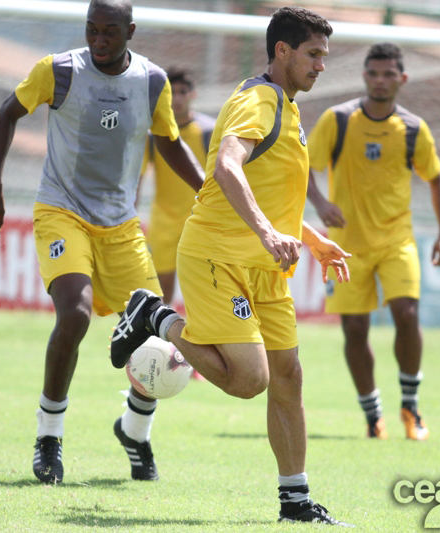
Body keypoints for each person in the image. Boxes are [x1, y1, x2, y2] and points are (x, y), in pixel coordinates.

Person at [111, 7, 352, 525]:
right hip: (218, 256)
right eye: (313, 55)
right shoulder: (258, 100)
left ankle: (295, 499)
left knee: (289, 374)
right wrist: (266, 233)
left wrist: (308, 238)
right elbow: (225, 165)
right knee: (250, 381)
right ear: (282, 51)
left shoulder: (286, 106)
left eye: (324, 57)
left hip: (264, 266)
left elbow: (273, 190)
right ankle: (156, 319)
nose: (321, 67)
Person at [0, 0, 204, 485]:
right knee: (74, 314)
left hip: (121, 224)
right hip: (62, 211)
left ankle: (135, 432)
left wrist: (207, 188)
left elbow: (168, 141)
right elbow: (7, 114)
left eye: (110, 33)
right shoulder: (58, 70)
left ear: (131, 32)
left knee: (155, 333)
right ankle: (49, 436)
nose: (99, 41)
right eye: (92, 30)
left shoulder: (152, 82)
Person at [306, 42, 440, 441]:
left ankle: (410, 407)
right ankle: (373, 415)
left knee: (406, 313)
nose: (381, 80)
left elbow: (437, 178)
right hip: (345, 244)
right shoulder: (337, 120)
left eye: (389, 74)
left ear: (402, 79)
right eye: (374, 73)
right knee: (355, 329)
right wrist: (319, 203)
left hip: (396, 240)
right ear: (364, 76)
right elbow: (302, 166)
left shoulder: (413, 129)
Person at [142, 68, 214, 305]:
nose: (177, 98)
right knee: (162, 293)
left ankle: (206, 339)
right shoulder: (153, 134)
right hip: (164, 222)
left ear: (193, 95)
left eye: (182, 92)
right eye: (171, 92)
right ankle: (161, 341)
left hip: (202, 221)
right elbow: (137, 177)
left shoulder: (209, 132)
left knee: (206, 291)